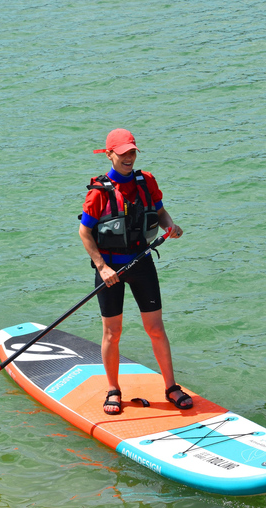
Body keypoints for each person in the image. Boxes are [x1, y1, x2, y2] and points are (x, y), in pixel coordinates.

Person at [78, 128, 193, 415]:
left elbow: (160, 211)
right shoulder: (99, 193)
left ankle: (171, 386)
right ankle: (114, 390)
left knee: (155, 328)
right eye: (122, 153)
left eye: (132, 152)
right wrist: (102, 267)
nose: (128, 158)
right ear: (109, 154)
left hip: (141, 262)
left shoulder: (146, 181)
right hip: (111, 270)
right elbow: (84, 232)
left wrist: (170, 225)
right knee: (112, 333)